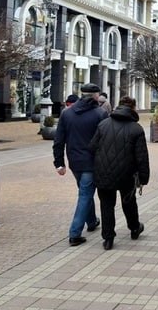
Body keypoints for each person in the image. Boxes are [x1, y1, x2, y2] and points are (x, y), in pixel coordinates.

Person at [88, 96, 150, 250]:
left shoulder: (103, 125)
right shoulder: (136, 129)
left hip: (103, 172)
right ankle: (134, 228)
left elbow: (92, 147)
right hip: (126, 174)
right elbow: (141, 156)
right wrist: (144, 178)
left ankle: (108, 238)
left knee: (106, 205)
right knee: (129, 202)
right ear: (133, 108)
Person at [53, 82, 108, 247]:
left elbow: (59, 140)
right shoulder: (100, 113)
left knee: (85, 191)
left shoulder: (67, 113)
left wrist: (59, 163)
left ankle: (91, 221)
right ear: (96, 96)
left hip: (74, 162)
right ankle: (75, 233)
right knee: (85, 194)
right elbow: (105, 141)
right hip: (92, 162)